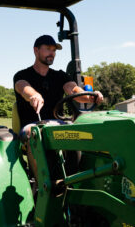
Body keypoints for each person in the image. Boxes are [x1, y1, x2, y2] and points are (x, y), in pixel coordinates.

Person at [14, 34, 103, 180]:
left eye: (54, 50)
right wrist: (34, 96)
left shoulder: (60, 76)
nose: (52, 53)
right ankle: (42, 185)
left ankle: (73, 178)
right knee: (34, 134)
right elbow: (24, 88)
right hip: (33, 125)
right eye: (48, 49)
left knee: (79, 131)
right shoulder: (22, 75)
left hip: (57, 125)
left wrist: (91, 95)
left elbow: (74, 91)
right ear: (36, 51)